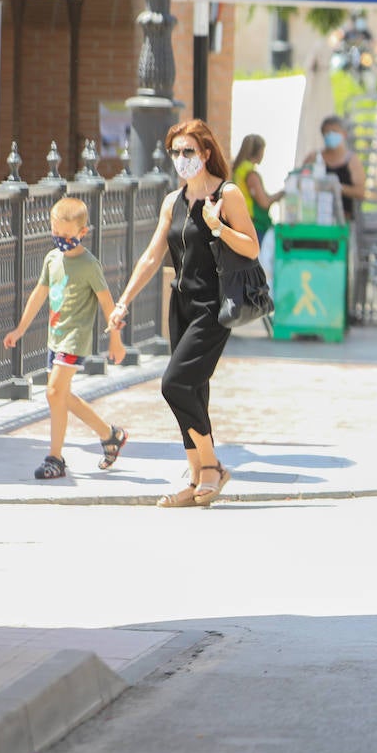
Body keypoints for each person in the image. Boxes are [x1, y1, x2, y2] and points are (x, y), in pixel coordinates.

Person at [108, 120, 259, 507]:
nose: (181, 158)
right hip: (181, 305)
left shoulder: (227, 194)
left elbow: (252, 247)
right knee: (193, 390)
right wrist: (123, 301)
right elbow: (152, 256)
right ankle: (196, 479)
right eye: (175, 152)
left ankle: (212, 467)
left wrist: (218, 228)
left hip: (214, 306)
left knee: (174, 384)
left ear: (206, 153)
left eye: (188, 151)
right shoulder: (172, 201)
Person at [4, 197, 128, 480]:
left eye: (66, 234)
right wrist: (20, 329)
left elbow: (107, 303)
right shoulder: (52, 259)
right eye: (55, 232)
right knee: (60, 396)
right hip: (56, 337)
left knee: (53, 392)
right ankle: (110, 435)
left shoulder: (89, 264)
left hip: (75, 337)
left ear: (82, 232)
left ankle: (55, 458)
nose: (59, 238)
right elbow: (39, 294)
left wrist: (115, 340)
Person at [302, 116, 369, 221]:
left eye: (334, 131)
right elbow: (300, 181)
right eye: (327, 132)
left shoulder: (351, 160)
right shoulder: (314, 158)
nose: (330, 135)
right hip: (316, 217)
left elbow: (361, 192)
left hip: (343, 219)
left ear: (344, 134)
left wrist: (336, 187)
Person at [231, 134, 283, 242]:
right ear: (258, 151)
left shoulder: (239, 169)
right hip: (255, 225)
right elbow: (264, 202)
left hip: (242, 223)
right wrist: (281, 195)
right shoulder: (250, 173)